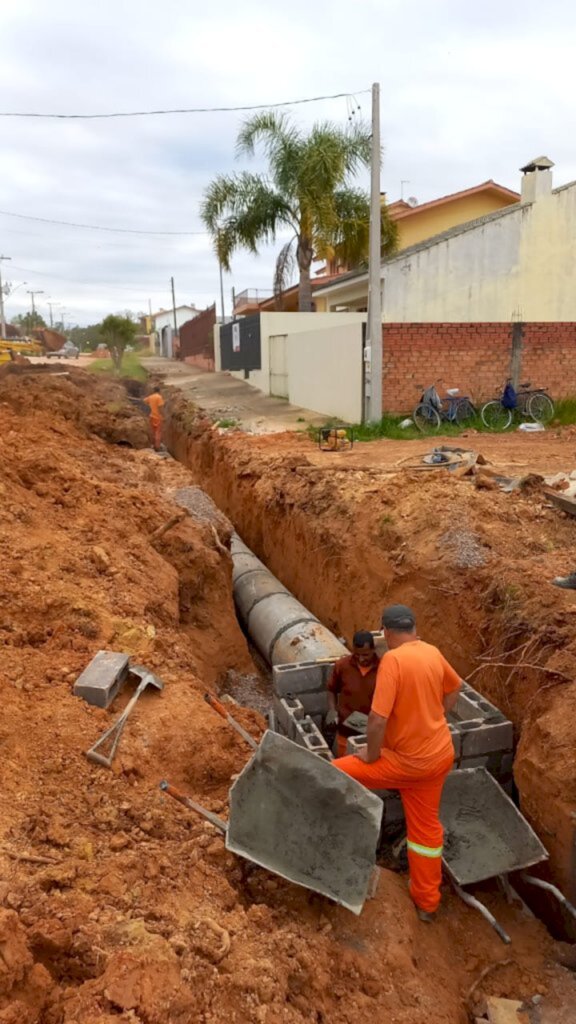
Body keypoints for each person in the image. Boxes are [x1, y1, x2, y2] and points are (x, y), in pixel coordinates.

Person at [333, 605, 462, 923]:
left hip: (406, 762)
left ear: (387, 632)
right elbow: (454, 687)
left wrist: (372, 757)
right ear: (414, 629)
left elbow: (376, 720)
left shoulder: (393, 660)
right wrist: (436, 717)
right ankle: (427, 902)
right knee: (425, 832)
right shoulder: (431, 652)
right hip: (438, 757)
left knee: (331, 772)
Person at [326, 632, 380, 757]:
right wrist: (332, 711)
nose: (361, 659)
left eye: (365, 655)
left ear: (373, 650)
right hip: (345, 732)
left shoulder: (384, 669)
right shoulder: (342, 666)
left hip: (371, 736)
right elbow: (331, 689)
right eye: (357, 655)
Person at [143, 387, 165, 451]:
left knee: (153, 432)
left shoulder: (151, 397)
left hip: (152, 416)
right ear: (159, 391)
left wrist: (150, 404)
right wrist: (163, 416)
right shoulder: (159, 397)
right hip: (158, 417)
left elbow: (144, 401)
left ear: (153, 391)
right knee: (158, 432)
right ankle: (157, 447)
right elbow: (160, 408)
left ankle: (152, 445)